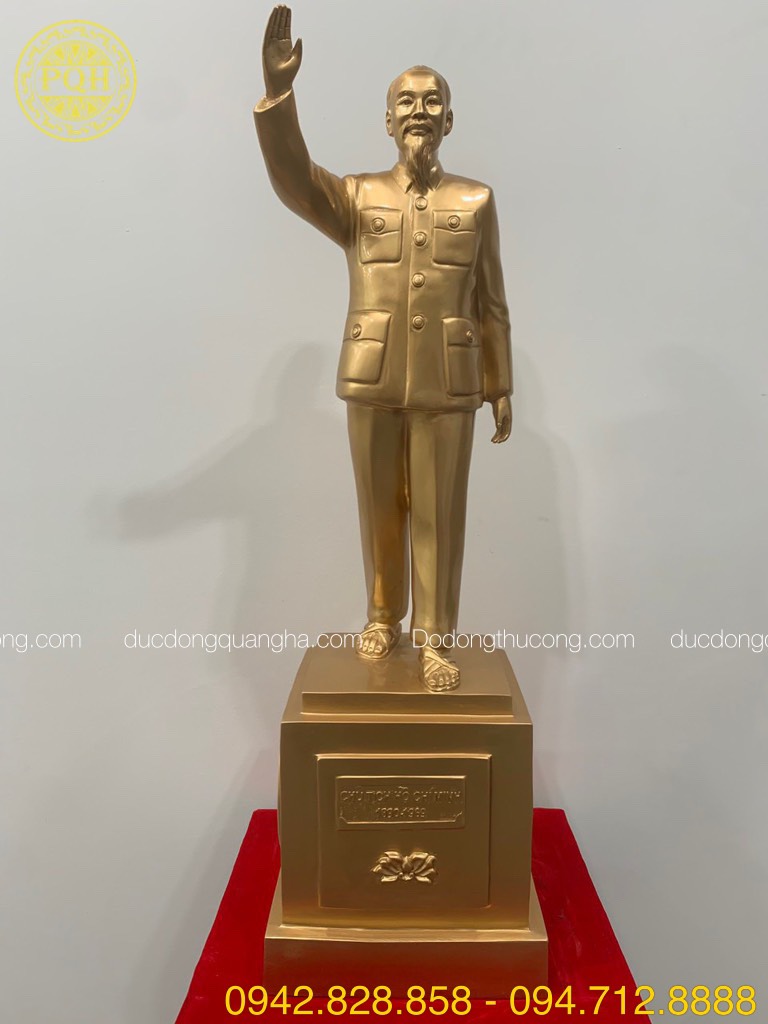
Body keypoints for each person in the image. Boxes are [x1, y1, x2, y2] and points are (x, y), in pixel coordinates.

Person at [254, 5, 513, 691]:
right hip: (372, 375)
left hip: (450, 383)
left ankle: (437, 637)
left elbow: (491, 300)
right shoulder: (358, 196)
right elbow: (293, 179)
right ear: (388, 121)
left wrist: (499, 383)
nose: (419, 111)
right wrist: (279, 97)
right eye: (406, 102)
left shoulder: (476, 200)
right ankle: (380, 616)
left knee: (439, 513)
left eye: (432, 102)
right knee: (378, 506)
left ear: (449, 120)